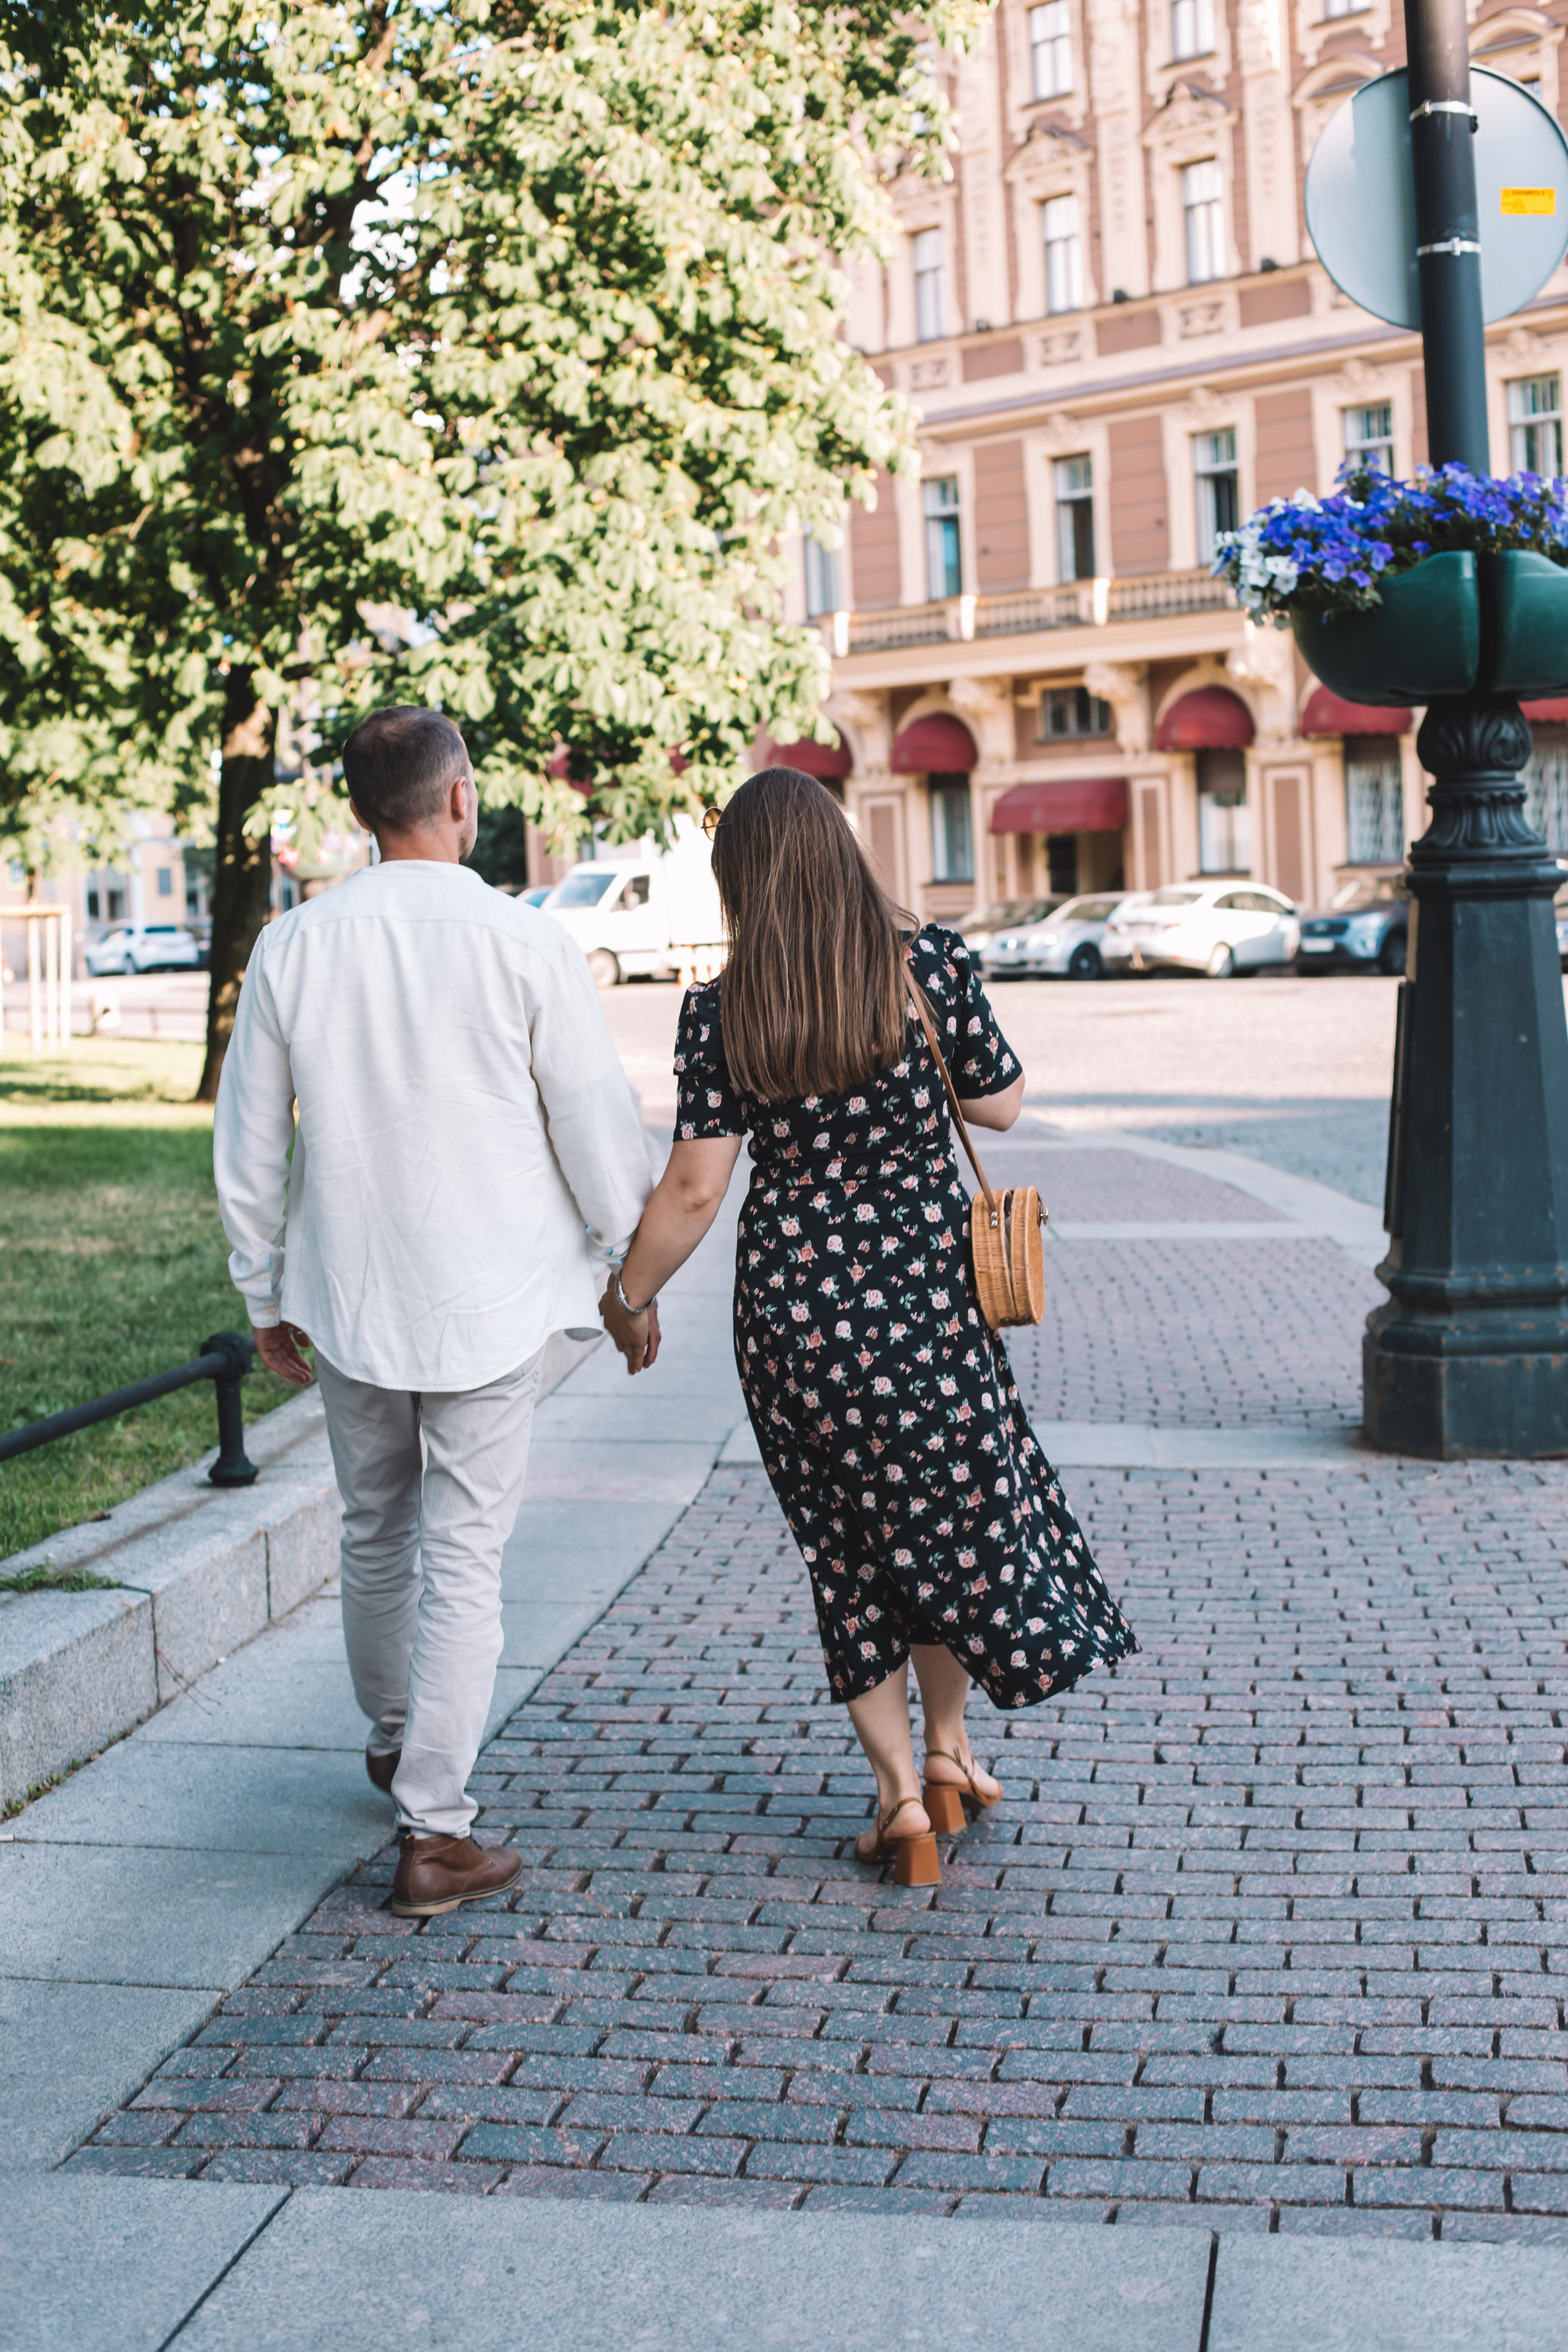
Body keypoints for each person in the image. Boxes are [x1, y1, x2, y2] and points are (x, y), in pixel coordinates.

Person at [600, 766, 1136, 1885]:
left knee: (846, 1550)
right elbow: (1002, 1102)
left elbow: (695, 1190)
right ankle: (949, 1754)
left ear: (740, 881)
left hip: (799, 1318)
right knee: (940, 1523)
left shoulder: (724, 1008)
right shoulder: (927, 966)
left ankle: (900, 1802)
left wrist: (629, 1297)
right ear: (842, 854)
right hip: (931, 1303)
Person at [214, 707, 650, 1918]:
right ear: (461, 797)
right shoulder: (525, 941)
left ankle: (395, 1742)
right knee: (463, 1551)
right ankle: (433, 1827)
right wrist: (627, 1275)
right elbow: (591, 1124)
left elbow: (249, 1144)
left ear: (359, 811)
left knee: (373, 1528)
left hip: (350, 1290)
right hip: (491, 1294)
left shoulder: (293, 945)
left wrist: (262, 1291)